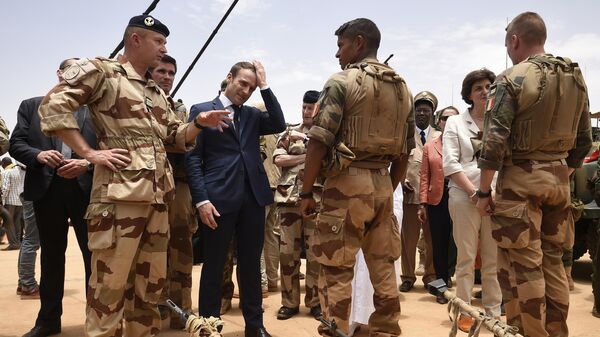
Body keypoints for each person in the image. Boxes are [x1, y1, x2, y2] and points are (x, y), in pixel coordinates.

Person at [37, 15, 230, 337]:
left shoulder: (154, 91)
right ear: (136, 40)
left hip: (157, 200)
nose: (164, 48)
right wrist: (89, 153)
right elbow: (52, 107)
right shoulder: (103, 72)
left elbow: (173, 138)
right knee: (109, 287)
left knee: (150, 287)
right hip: (118, 200)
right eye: (159, 41)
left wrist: (199, 123)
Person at [477, 12, 592, 337]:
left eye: (507, 44)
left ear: (515, 40)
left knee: (522, 266)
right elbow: (583, 141)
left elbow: (494, 143)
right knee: (553, 263)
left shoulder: (511, 78)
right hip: (559, 183)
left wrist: (484, 193)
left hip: (520, 184)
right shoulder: (574, 77)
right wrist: (558, 171)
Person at [299, 18, 413, 337]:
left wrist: (306, 192)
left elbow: (319, 141)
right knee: (383, 267)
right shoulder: (403, 87)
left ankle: (335, 330)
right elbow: (405, 152)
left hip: (346, 183)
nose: (338, 54)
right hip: (381, 183)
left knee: (337, 269)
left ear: (358, 43)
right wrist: (385, 190)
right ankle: (387, 331)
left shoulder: (342, 82)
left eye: (341, 45)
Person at [186, 60, 286, 337]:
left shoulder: (252, 116)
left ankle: (255, 326)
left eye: (251, 87)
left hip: (253, 198)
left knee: (252, 265)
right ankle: (210, 326)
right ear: (229, 77)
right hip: (217, 200)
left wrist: (265, 85)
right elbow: (193, 159)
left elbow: (278, 121)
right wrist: (201, 200)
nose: (246, 91)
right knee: (215, 265)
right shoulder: (202, 111)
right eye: (243, 83)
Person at [9, 58, 95, 337]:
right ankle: (48, 321)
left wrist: (87, 163)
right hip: (48, 191)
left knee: (94, 258)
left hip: (86, 191)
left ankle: (97, 320)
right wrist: (39, 155)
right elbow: (16, 144)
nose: (74, 76)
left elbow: (108, 147)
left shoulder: (95, 110)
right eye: (69, 70)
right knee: (51, 258)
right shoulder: (32, 106)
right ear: (59, 73)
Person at [443, 68, 502, 332]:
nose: (484, 90)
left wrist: (491, 195)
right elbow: (450, 164)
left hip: (495, 200)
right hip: (464, 197)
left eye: (489, 85)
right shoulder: (455, 123)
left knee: (493, 260)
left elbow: (505, 162)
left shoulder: (500, 120)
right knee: (466, 259)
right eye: (478, 87)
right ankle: (465, 312)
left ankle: (492, 314)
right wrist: (476, 193)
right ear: (469, 94)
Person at [149, 54, 198, 329]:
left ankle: (182, 310)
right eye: (161, 72)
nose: (167, 77)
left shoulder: (180, 109)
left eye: (171, 73)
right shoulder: (140, 102)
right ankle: (155, 309)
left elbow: (184, 142)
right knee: (152, 251)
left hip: (178, 188)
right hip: (148, 188)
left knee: (181, 247)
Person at [273, 90, 322, 320]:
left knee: (315, 255)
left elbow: (329, 160)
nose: (306, 111)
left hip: (316, 201)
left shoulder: (325, 136)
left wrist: (307, 152)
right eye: (304, 107)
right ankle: (289, 302)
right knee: (287, 254)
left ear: (319, 109)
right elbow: (278, 159)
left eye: (310, 108)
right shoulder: (289, 132)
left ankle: (315, 302)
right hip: (288, 200)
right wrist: (308, 158)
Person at [418, 106, 459, 304]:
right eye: (444, 118)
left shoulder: (466, 143)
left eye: (453, 118)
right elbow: (425, 176)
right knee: (439, 244)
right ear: (438, 121)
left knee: (459, 243)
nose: (448, 122)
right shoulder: (430, 146)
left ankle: (455, 280)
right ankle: (442, 285)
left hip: (461, 197)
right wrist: (422, 204)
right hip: (437, 200)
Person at [399, 91, 439, 293]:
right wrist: (400, 180)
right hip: (410, 194)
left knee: (433, 238)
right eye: (419, 110)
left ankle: (431, 276)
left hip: (433, 198)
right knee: (408, 238)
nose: (422, 113)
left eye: (426, 110)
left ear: (433, 113)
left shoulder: (440, 136)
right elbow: (397, 161)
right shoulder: (405, 134)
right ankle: (407, 276)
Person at [1, 157, 25, 251]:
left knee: (8, 222)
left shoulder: (7, 172)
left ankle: (13, 243)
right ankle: (18, 242)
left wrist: (2, 201)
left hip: (9, 201)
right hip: (19, 201)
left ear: (3, 164)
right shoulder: (18, 171)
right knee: (17, 222)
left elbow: (5, 188)